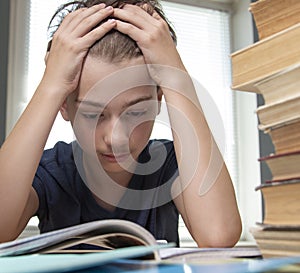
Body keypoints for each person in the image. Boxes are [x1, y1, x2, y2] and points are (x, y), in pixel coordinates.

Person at [0, 0, 242, 247]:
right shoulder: (52, 171)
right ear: (64, 105)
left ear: (159, 99)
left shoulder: (170, 165)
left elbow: (219, 235)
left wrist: (175, 77)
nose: (116, 139)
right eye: (94, 115)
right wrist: (51, 85)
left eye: (136, 113)